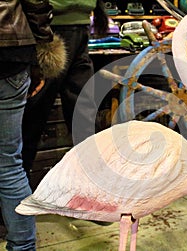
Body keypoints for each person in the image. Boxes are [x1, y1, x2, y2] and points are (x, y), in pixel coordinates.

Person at [22, 0, 108, 189]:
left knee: (84, 114)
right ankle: (13, 196)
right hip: (48, 29)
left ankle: (94, 192)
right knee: (33, 116)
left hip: (79, 27)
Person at [0, 0, 57, 249]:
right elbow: (36, 4)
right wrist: (43, 48)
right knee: (9, 163)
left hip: (12, 52)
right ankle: (23, 247)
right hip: (11, 52)